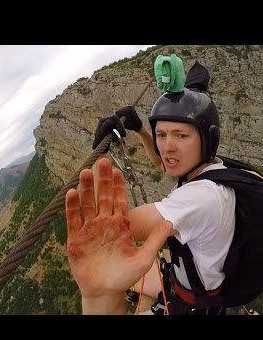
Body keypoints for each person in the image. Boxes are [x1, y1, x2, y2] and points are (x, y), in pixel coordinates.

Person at [66, 64, 236, 315]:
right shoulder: (214, 169)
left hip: (193, 305)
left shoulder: (200, 199)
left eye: (180, 135)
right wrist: (141, 131)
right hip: (196, 280)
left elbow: (106, 230)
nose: (167, 147)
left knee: (106, 278)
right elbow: (160, 162)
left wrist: (100, 156)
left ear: (207, 139)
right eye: (161, 135)